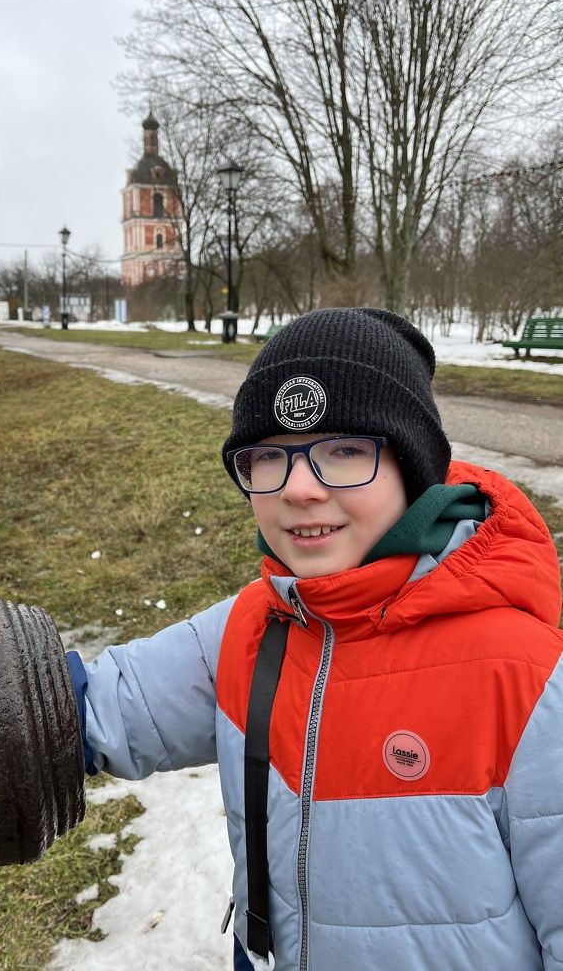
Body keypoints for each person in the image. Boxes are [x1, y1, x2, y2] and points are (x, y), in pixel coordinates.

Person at [65, 307, 563, 971]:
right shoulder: (252, 628)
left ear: (413, 467)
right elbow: (93, 711)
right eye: (267, 456)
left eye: (345, 450)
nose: (299, 488)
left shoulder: (527, 679)